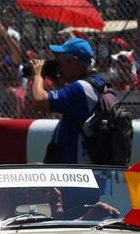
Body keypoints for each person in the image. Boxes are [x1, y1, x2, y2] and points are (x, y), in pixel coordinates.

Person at [28, 36, 103, 165]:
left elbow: (39, 101)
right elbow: (72, 109)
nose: (58, 67)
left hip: (75, 173)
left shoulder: (80, 88)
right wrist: (59, 83)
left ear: (74, 62)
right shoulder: (95, 84)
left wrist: (38, 75)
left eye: (60, 62)